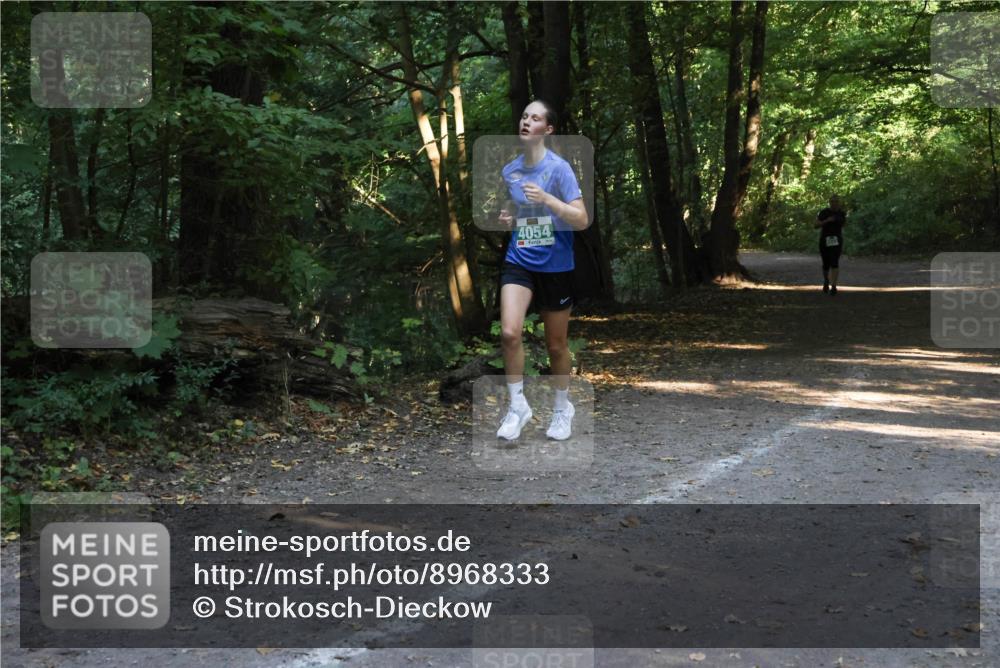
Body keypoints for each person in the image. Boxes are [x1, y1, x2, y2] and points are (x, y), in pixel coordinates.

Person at [495, 100, 588, 441]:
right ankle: (518, 406)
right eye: (523, 115)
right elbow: (521, 212)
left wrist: (549, 199)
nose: (526, 121)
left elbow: (581, 219)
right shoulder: (510, 171)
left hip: (556, 265)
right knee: (509, 333)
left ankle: (563, 408)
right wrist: (510, 218)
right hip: (519, 259)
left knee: (556, 346)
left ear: (547, 130)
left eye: (535, 118)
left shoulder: (560, 169)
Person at [814, 194, 846, 295]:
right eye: (832, 201)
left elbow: (844, 224)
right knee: (826, 264)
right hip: (825, 240)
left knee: (835, 262)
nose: (834, 204)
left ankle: (834, 286)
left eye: (836, 202)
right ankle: (826, 281)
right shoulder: (824, 212)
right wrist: (827, 221)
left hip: (837, 241)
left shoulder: (842, 213)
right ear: (829, 202)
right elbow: (815, 225)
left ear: (839, 203)